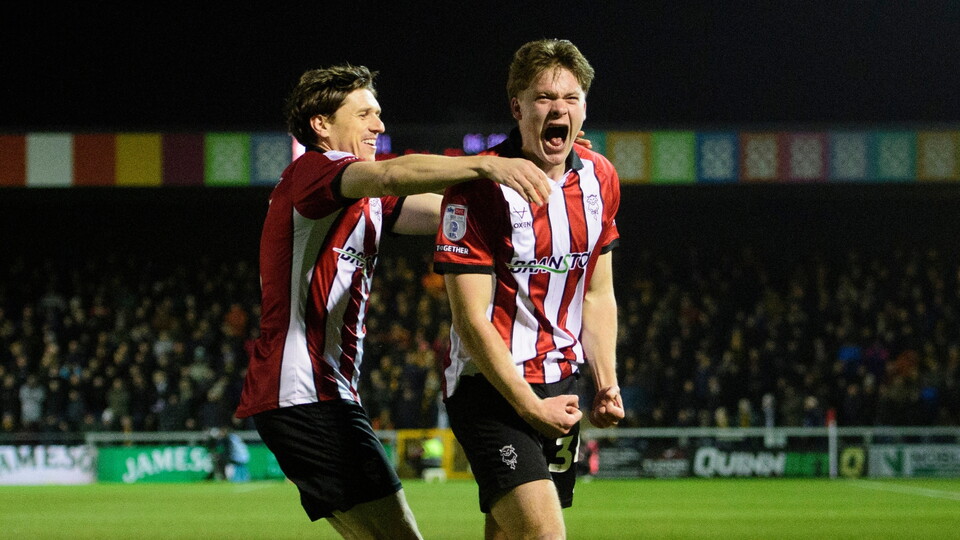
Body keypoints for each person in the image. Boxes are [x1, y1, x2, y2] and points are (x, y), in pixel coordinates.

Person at [234, 64, 555, 539]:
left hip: (322, 394)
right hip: (302, 394)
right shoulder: (312, 172)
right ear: (321, 124)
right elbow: (392, 175)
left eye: (378, 114)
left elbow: (452, 209)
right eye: (364, 114)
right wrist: (490, 162)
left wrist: (542, 164)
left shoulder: (364, 199)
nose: (379, 126)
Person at [433, 38, 625, 540]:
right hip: (491, 388)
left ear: (584, 109)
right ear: (517, 106)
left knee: (506, 531)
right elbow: (471, 320)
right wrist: (527, 407)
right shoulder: (476, 191)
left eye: (571, 98)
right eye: (543, 98)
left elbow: (596, 294)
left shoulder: (601, 179)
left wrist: (606, 381)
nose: (558, 109)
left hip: (561, 384)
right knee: (544, 534)